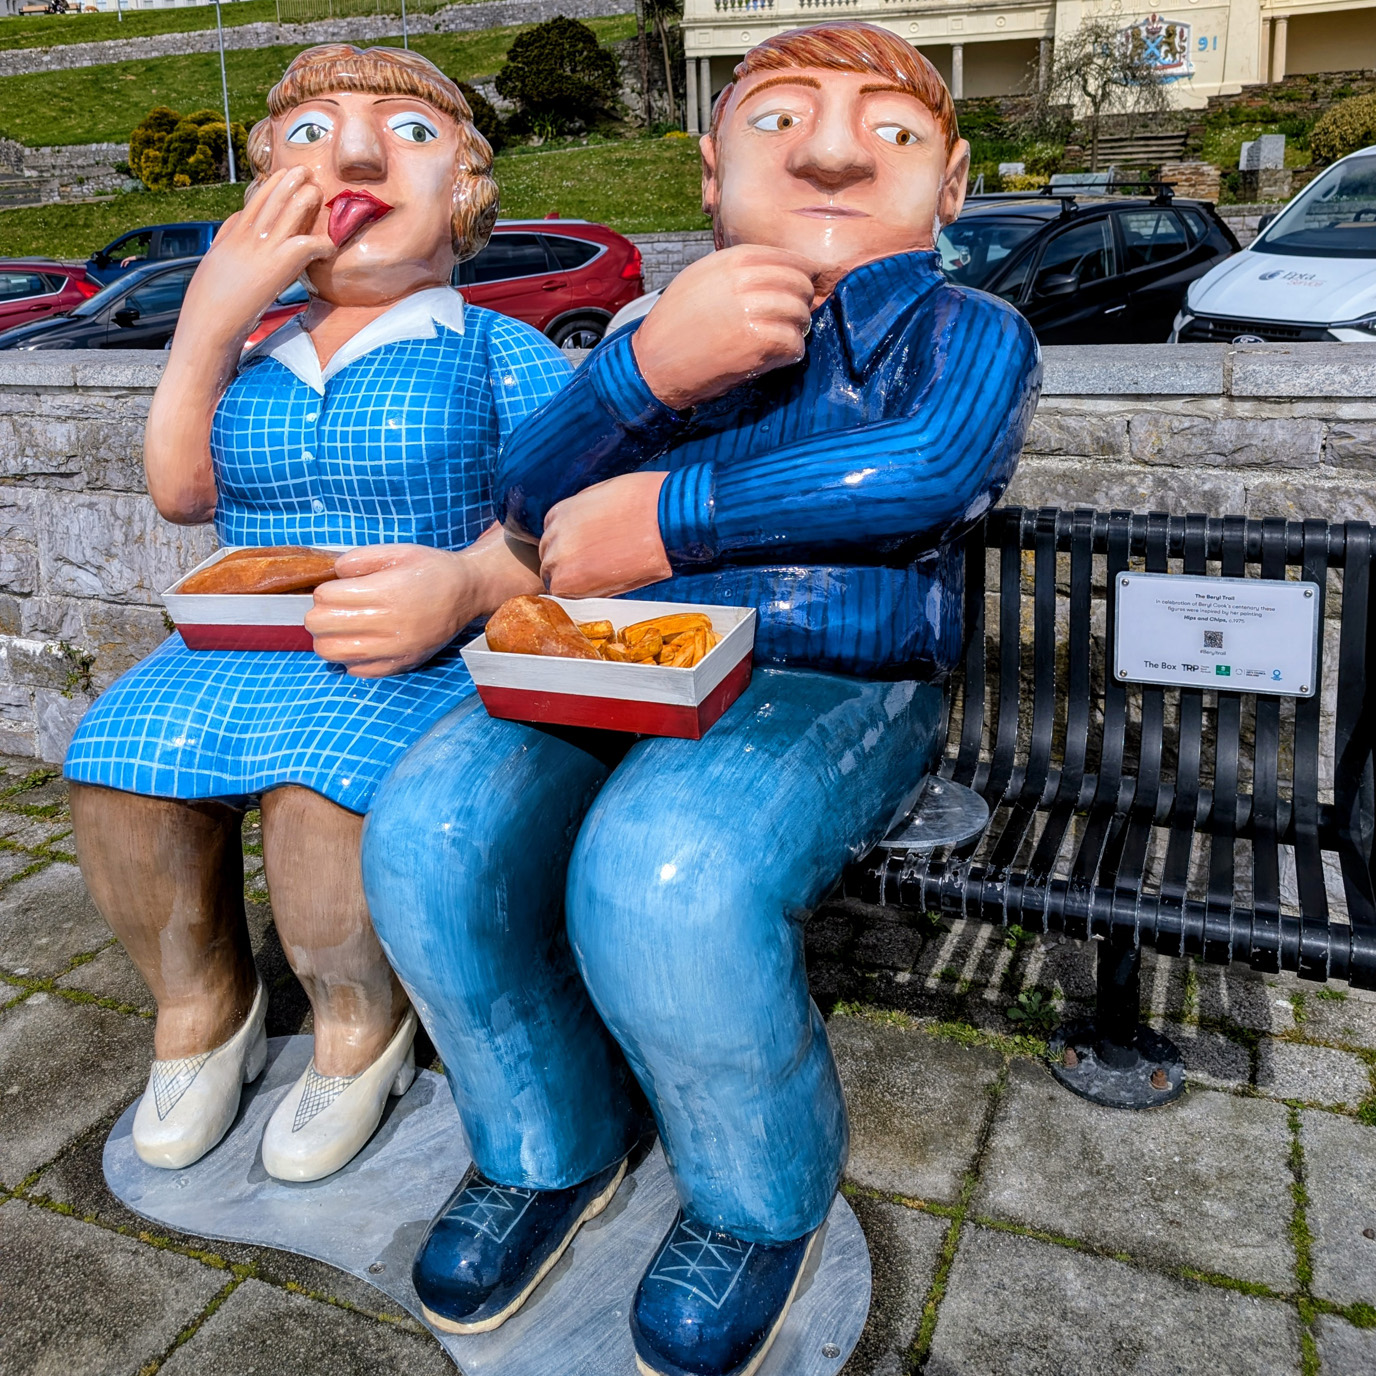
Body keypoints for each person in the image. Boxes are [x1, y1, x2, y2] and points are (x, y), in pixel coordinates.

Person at [362, 22, 1041, 1375]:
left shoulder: (969, 330)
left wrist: (677, 512)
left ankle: (753, 1194)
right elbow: (529, 498)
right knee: (433, 828)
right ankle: (547, 1141)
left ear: (950, 185)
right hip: (625, 666)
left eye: (892, 135)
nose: (838, 153)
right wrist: (643, 375)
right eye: (782, 122)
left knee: (667, 870)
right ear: (708, 171)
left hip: (831, 678)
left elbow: (927, 468)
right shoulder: (656, 327)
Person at [63, 45, 569, 1184]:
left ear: (467, 188)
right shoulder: (253, 350)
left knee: (318, 805)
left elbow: (572, 524)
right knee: (118, 767)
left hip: (414, 651)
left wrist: (473, 583)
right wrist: (206, 317)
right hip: (236, 643)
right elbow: (183, 492)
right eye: (308, 134)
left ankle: (356, 1025)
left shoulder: (497, 349)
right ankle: (200, 1012)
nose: (349, 152)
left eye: (405, 131)